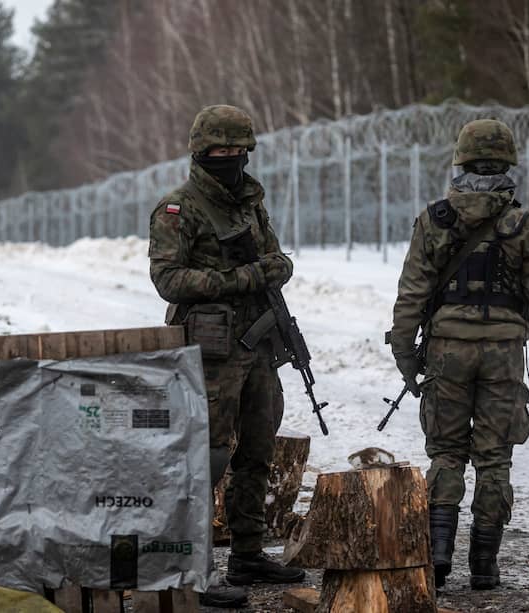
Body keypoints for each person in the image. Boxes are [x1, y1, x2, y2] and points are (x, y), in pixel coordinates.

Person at [390, 119, 529, 590]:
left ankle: (440, 555)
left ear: (459, 162)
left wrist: (406, 356)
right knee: (495, 459)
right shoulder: (524, 227)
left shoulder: (434, 221)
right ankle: (485, 566)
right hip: (503, 354)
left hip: (446, 352)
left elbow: (410, 297)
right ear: (509, 166)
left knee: (446, 452)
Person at [148, 104, 307, 608]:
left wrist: (273, 269)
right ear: (202, 152)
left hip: (257, 344)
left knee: (257, 451)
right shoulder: (180, 208)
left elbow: (276, 258)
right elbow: (167, 279)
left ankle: (247, 553)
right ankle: (193, 569)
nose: (232, 158)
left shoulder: (250, 204)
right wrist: (239, 279)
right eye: (222, 151)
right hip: (212, 349)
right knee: (207, 457)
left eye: (240, 150)